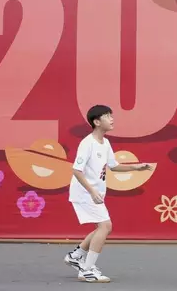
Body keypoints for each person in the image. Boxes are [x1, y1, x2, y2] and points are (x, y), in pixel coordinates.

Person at [63, 105, 152, 283]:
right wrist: (92, 191)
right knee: (105, 226)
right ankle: (87, 270)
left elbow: (113, 166)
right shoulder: (87, 143)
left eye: (112, 116)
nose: (112, 119)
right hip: (85, 193)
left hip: (94, 193)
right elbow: (77, 171)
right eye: (107, 116)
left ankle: (76, 256)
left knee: (102, 227)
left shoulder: (106, 143)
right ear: (97, 122)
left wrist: (136, 166)